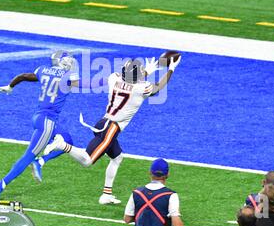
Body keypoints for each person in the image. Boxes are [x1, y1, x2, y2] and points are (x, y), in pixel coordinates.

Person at [44, 56, 181, 204]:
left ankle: (106, 194)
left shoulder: (114, 78)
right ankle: (61, 145)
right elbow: (158, 86)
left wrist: (145, 71)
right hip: (110, 129)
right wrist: (171, 69)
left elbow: (129, 81)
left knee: (117, 157)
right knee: (87, 161)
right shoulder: (141, 88)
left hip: (103, 122)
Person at [0, 51, 102, 201]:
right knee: (28, 156)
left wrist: (10, 86)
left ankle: (40, 162)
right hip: (47, 122)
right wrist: (107, 81)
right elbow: (87, 85)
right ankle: (1, 184)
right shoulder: (67, 77)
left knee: (67, 141)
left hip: (38, 117)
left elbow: (24, 76)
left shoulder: (44, 70)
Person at [123, 158, 184, 226]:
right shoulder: (171, 195)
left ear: (150, 172)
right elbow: (177, 224)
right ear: (167, 175)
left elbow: (127, 219)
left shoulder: (136, 193)